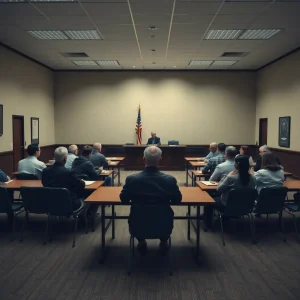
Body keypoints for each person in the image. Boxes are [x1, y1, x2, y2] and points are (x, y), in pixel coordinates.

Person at [120, 146, 182, 255]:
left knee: (140, 220)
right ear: (160, 159)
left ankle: (141, 241)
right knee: (162, 219)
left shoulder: (132, 179)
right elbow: (177, 200)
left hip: (138, 224)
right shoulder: (169, 180)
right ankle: (163, 241)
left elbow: (124, 199)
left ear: (144, 159)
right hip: (164, 224)